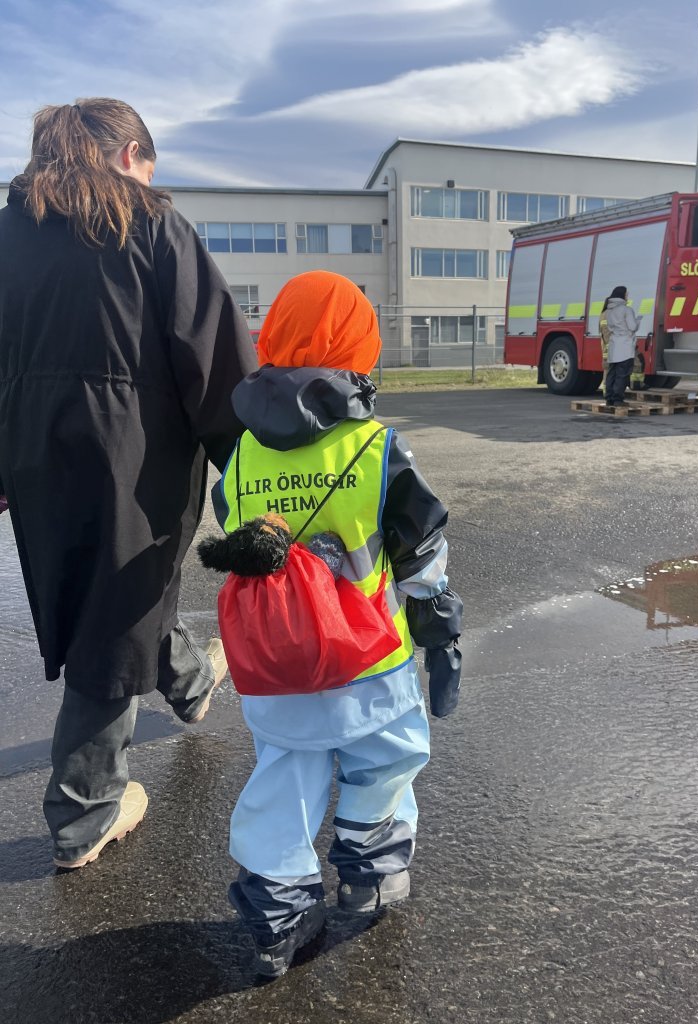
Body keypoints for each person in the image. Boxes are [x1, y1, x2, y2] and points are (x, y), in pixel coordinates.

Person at [0, 99, 258, 869]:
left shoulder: (9, 234)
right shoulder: (148, 226)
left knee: (118, 589)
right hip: (132, 452)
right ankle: (85, 811)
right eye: (148, 165)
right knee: (111, 614)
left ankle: (189, 679)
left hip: (35, 450)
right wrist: (251, 466)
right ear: (126, 157)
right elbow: (212, 353)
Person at [211, 270, 463, 978]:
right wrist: (441, 630)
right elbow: (420, 552)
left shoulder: (241, 456)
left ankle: (275, 920)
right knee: (386, 760)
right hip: (368, 659)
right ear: (358, 345)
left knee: (284, 779)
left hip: (277, 664)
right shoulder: (378, 447)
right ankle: (369, 878)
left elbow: (240, 537)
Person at [603, 285, 642, 408]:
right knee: (622, 374)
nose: (627, 296)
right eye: (626, 294)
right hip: (625, 346)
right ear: (622, 295)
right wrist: (638, 321)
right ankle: (618, 400)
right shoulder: (626, 310)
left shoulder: (608, 311)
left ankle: (609, 398)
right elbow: (632, 327)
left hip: (614, 345)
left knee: (612, 373)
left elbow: (610, 328)